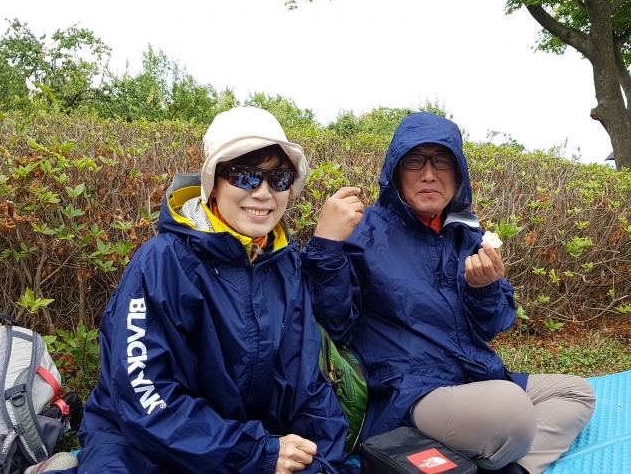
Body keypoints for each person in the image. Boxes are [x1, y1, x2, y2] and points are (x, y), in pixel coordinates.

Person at [302, 112, 596, 474]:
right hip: (406, 392)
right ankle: (486, 449)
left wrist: (486, 289)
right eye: (414, 160)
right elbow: (333, 325)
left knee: (576, 393)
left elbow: (492, 326)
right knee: (512, 411)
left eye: (442, 161)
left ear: (458, 175)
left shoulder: (467, 235)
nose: (428, 174)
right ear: (395, 172)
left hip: (471, 377)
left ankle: (510, 468)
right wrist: (326, 246)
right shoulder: (363, 233)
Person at [74, 107, 353, 474]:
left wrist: (320, 460)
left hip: (245, 445)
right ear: (213, 183)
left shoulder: (284, 266)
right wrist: (255, 453)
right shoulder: (162, 261)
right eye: (246, 176)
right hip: (141, 444)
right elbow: (144, 395)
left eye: (280, 178)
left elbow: (307, 386)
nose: (264, 193)